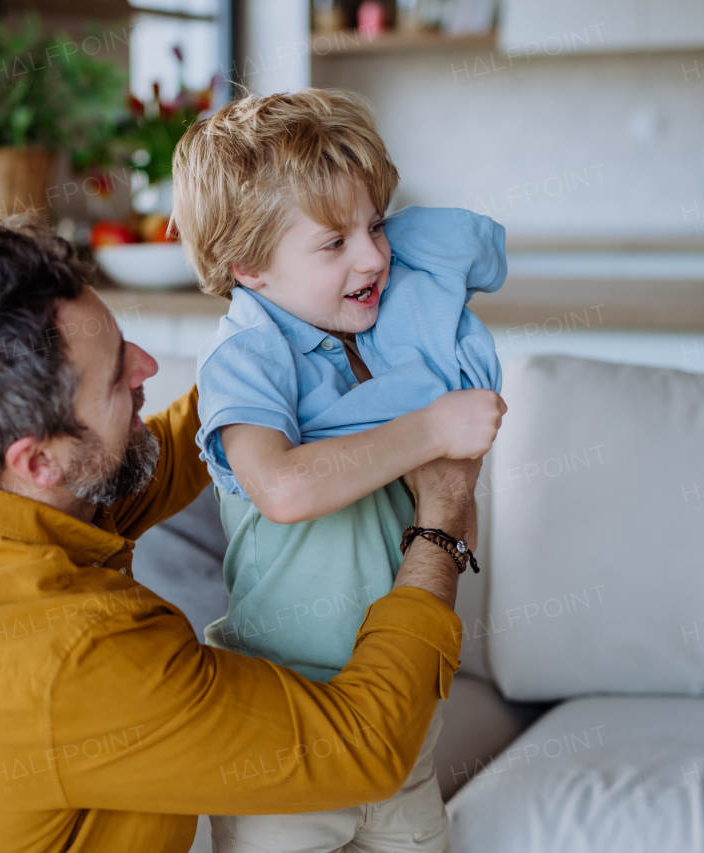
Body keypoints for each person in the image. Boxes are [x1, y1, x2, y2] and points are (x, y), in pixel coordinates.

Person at [0, 217, 493, 852]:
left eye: (123, 340)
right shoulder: (80, 660)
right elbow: (364, 750)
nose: (149, 365)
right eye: (114, 380)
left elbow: (177, 451)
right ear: (37, 460)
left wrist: (285, 325)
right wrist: (441, 522)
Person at [169, 88, 506, 852]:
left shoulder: (377, 339)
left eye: (376, 225)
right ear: (247, 265)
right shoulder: (247, 355)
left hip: (398, 705)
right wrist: (432, 427)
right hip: (285, 715)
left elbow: (441, 512)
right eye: (334, 242)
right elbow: (284, 487)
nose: (374, 255)